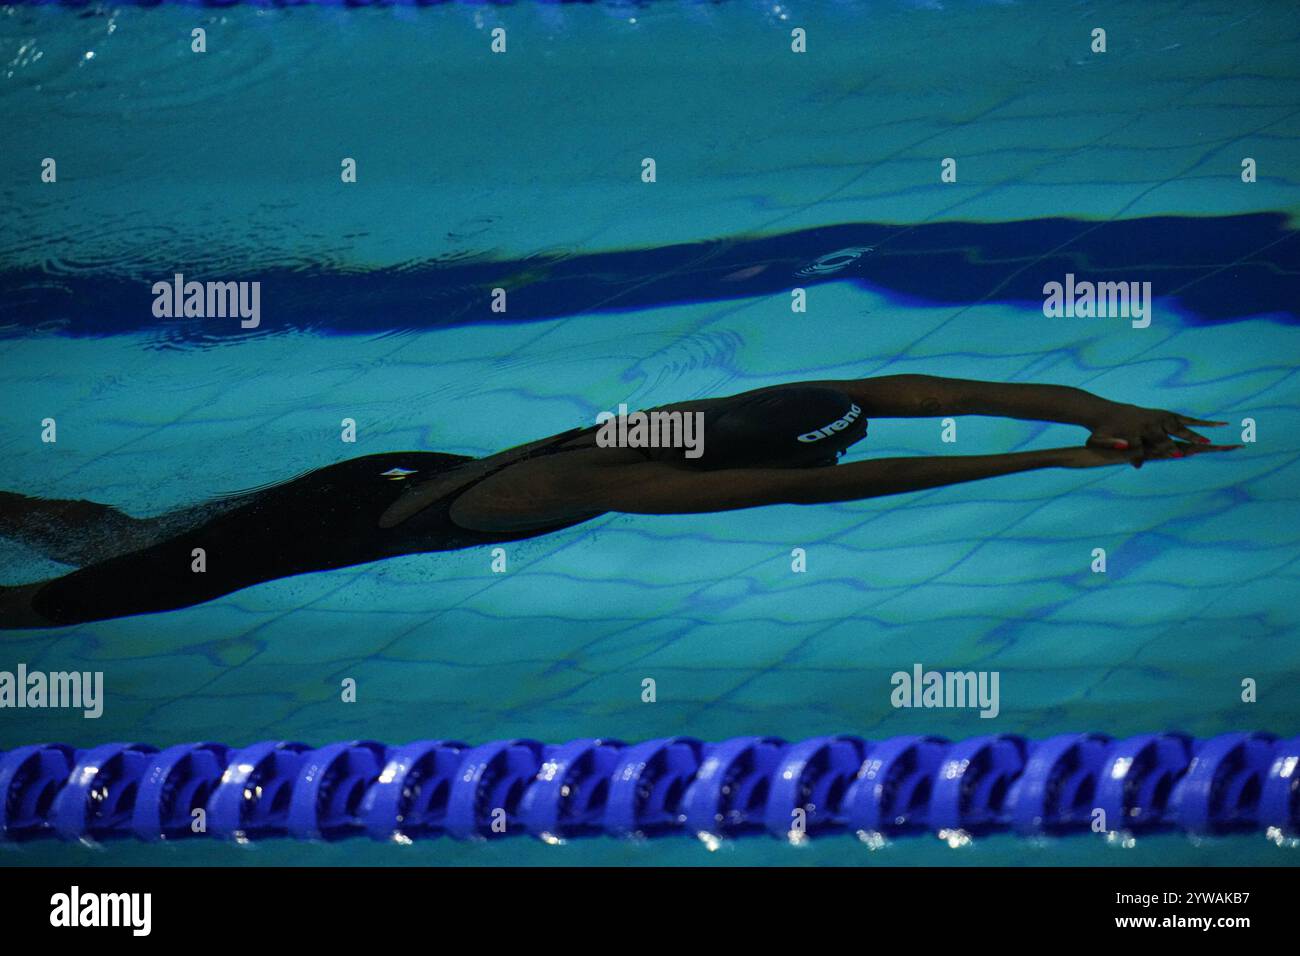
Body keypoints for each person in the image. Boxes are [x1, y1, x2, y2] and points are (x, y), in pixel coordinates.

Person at [0, 374, 1235, 628]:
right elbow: (870, 475)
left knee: (116, 535)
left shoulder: (719, 415)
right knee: (61, 602)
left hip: (380, 476)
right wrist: (1040, 461)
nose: (802, 472)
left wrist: (1086, 410)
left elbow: (898, 398)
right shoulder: (617, 475)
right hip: (331, 521)